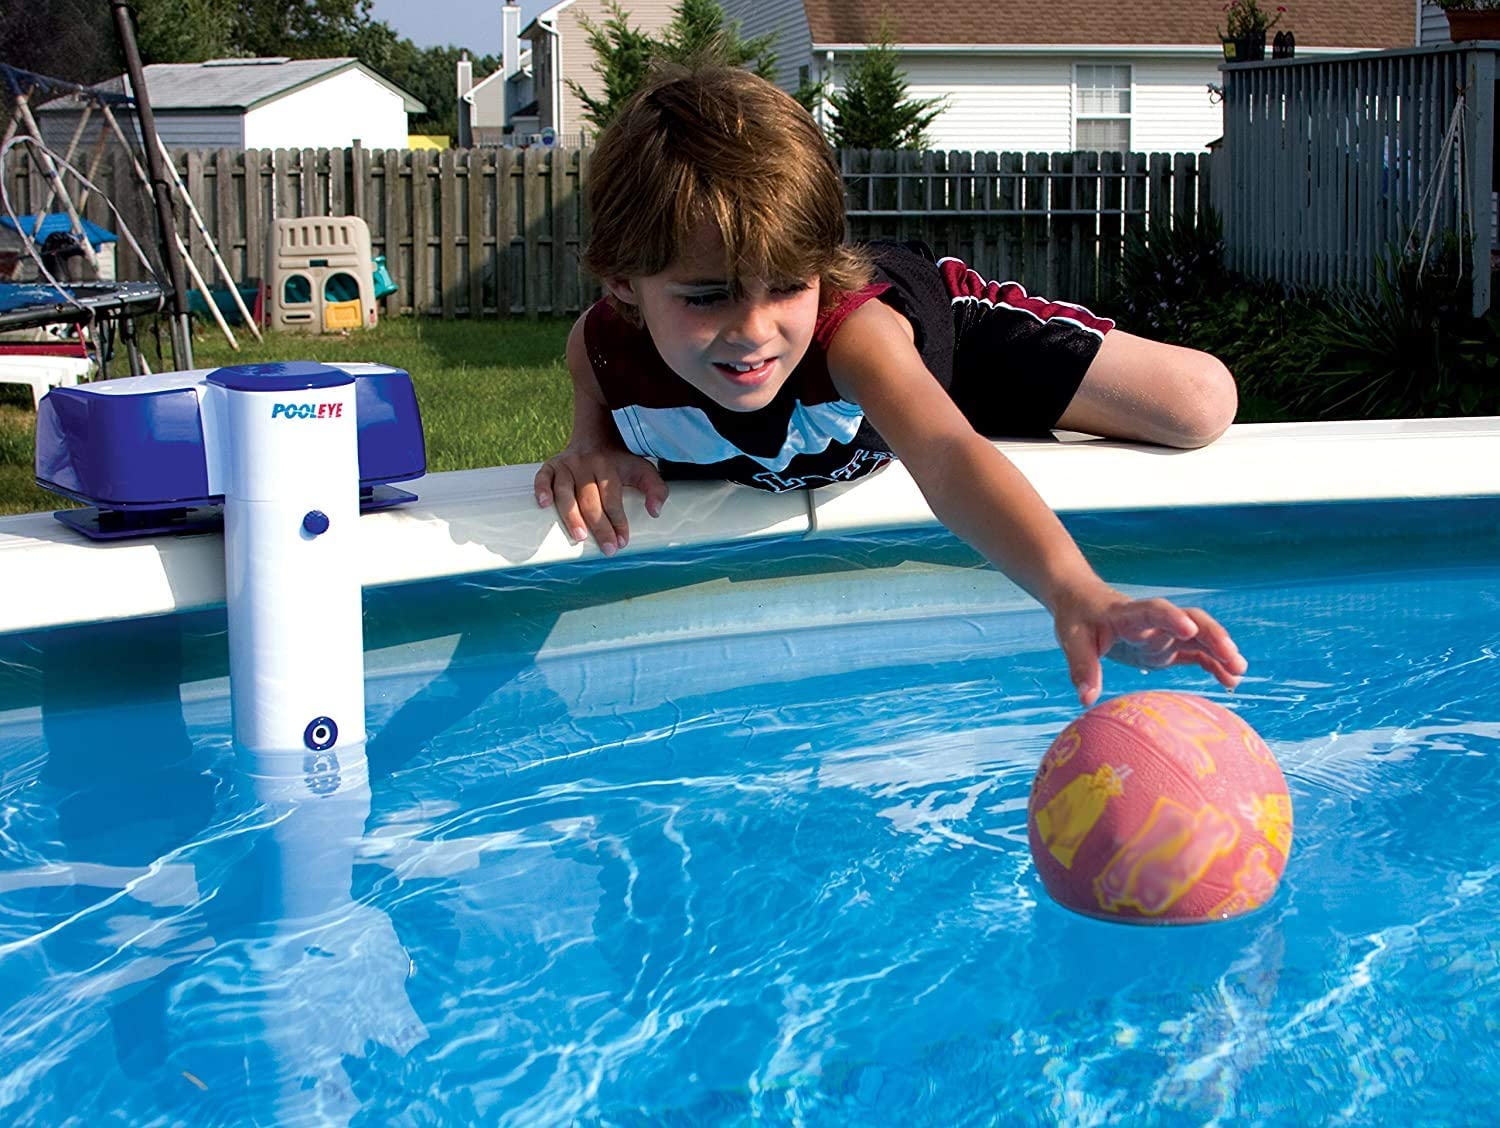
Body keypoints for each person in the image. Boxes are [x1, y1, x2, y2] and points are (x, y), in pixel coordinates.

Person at [534, 63, 1247, 707]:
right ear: (625, 283)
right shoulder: (605, 348)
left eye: (787, 286)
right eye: (707, 296)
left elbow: (944, 455)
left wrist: (1077, 594)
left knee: (1200, 404)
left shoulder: (850, 337)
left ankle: (924, 377)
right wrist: (588, 443)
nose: (753, 329)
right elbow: (589, 374)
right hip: (888, 396)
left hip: (952, 350)